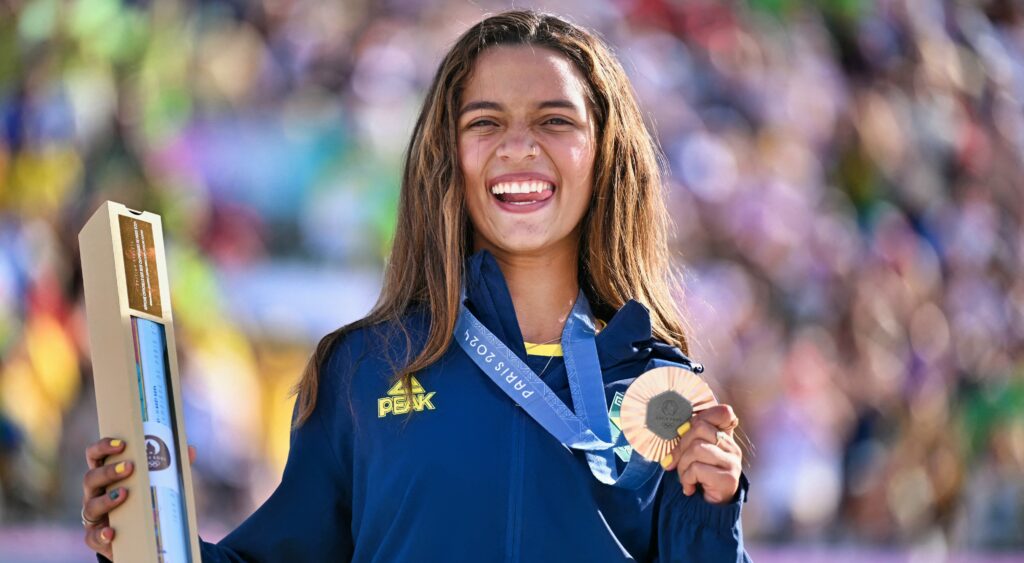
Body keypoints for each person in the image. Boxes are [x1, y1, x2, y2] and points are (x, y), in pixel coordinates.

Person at [80, 10, 749, 562]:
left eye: (555, 120)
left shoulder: (660, 390)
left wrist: (713, 519)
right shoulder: (366, 368)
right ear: (447, 158)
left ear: (605, 153)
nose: (518, 146)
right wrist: (145, 540)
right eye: (485, 122)